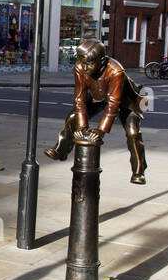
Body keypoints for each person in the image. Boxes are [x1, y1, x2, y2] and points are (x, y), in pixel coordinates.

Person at [44, 37, 148, 184]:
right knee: (73, 116)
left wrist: (101, 130)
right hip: (98, 98)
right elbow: (79, 99)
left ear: (103, 61)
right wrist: (82, 126)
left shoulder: (116, 71)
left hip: (125, 102)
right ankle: (61, 150)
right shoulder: (80, 68)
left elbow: (113, 105)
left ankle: (139, 171)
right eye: (82, 62)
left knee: (133, 133)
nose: (85, 68)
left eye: (90, 63)